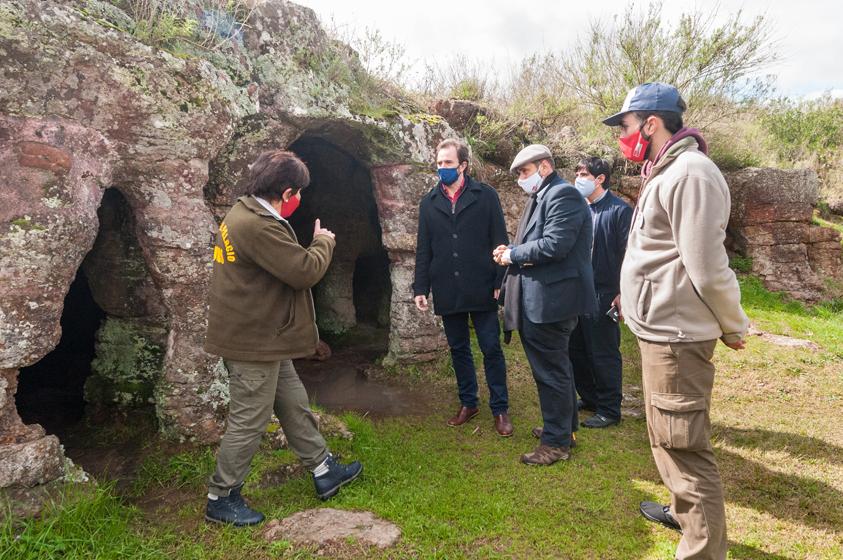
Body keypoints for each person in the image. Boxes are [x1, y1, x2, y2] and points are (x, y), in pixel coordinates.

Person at [603, 83, 749, 559]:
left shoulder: (691, 173)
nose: (621, 137)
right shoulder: (666, 169)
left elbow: (706, 264)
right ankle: (681, 513)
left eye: (624, 126)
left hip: (677, 337)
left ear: (650, 123)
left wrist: (733, 324)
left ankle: (703, 551)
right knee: (666, 438)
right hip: (660, 330)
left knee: (683, 446)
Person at [203, 150, 363, 527]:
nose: (300, 200)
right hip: (252, 342)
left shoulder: (245, 212)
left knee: (292, 401)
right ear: (288, 192)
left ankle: (324, 469)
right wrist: (323, 241)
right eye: (299, 193)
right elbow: (304, 271)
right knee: (249, 421)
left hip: (264, 336)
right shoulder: (257, 225)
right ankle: (221, 497)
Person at [494, 144, 597, 465]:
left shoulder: (562, 195)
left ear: (543, 167)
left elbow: (555, 245)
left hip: (551, 301)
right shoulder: (543, 197)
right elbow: (536, 242)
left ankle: (555, 444)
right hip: (545, 299)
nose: (521, 180)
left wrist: (512, 255)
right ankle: (564, 430)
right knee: (557, 369)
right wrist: (511, 248)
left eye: (524, 172)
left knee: (550, 372)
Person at [413, 139, 513, 436]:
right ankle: (469, 402)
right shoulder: (429, 203)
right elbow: (423, 249)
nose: (441, 168)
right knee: (459, 349)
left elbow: (500, 240)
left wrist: (499, 281)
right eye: (439, 163)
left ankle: (500, 408)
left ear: (463, 166)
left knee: (491, 348)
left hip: (481, 285)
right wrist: (421, 287)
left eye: (448, 163)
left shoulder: (486, 196)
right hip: (447, 286)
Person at [569, 157, 632, 428]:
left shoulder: (619, 211)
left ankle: (609, 409)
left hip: (605, 293)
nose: (578, 178)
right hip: (577, 292)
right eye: (578, 173)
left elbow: (629, 255)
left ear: (600, 178)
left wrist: (622, 292)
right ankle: (591, 397)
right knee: (576, 349)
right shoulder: (579, 209)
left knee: (603, 352)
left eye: (584, 174)